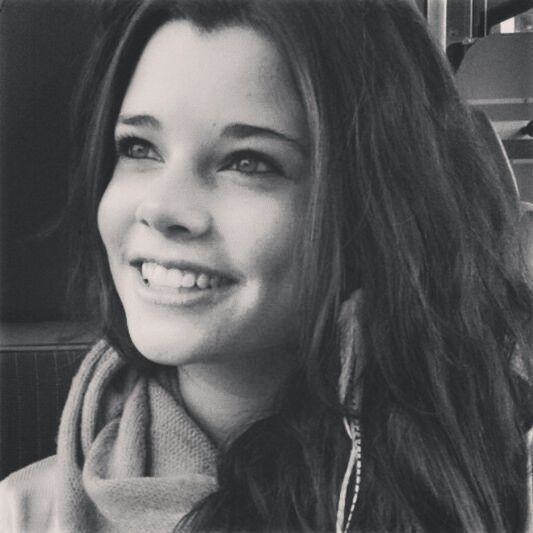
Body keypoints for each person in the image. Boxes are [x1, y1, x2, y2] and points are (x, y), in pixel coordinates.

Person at [1, 0, 532, 531]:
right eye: (139, 148)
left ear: (375, 208)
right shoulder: (25, 513)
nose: (161, 208)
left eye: (248, 162)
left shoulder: (508, 485)